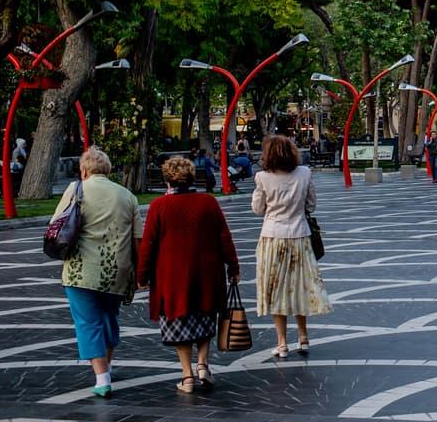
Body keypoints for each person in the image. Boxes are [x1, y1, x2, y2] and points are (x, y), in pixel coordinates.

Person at [137, 156, 240, 393]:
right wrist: (233, 268)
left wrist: (142, 275)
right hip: (207, 273)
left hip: (172, 278)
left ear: (167, 181)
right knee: (205, 317)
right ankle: (203, 364)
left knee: (179, 322)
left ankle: (187, 376)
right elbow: (225, 238)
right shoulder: (208, 202)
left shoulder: (158, 207)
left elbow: (148, 245)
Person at [54, 147, 140, 398]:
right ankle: (107, 366)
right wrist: (141, 270)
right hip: (117, 269)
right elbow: (137, 239)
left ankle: (102, 378)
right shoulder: (127, 196)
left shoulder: (75, 190)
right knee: (109, 317)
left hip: (81, 270)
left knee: (87, 321)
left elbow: (55, 225)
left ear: (84, 170)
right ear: (108, 169)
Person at [251, 135, 332, 357]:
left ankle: (282, 343)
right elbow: (312, 205)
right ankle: (303, 337)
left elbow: (258, 209)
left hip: (272, 237)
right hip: (299, 236)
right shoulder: (304, 173)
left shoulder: (262, 177)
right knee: (300, 287)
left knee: (275, 288)